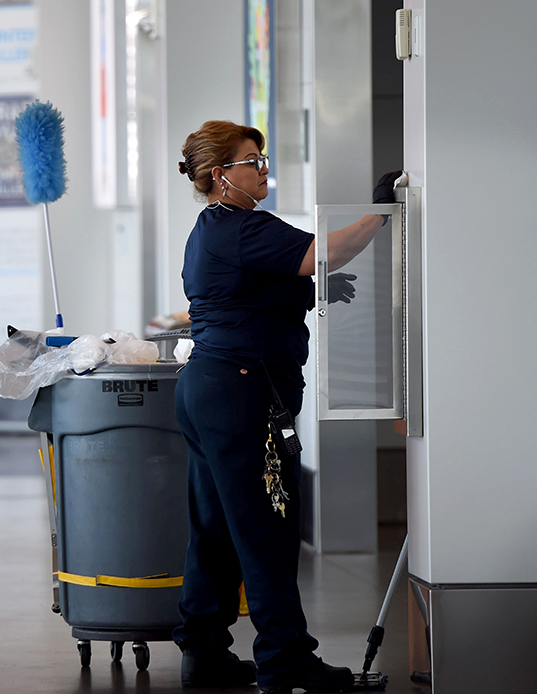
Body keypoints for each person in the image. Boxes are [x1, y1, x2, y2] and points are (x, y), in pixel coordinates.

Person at [172, 119, 400, 693]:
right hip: (241, 394)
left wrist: (314, 287)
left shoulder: (210, 231)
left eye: (263, 157)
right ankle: (285, 661)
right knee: (267, 531)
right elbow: (328, 250)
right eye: (253, 161)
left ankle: (204, 652)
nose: (263, 169)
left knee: (218, 528)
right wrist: (380, 212)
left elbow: (276, 280)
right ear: (221, 176)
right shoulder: (244, 227)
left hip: (209, 391)